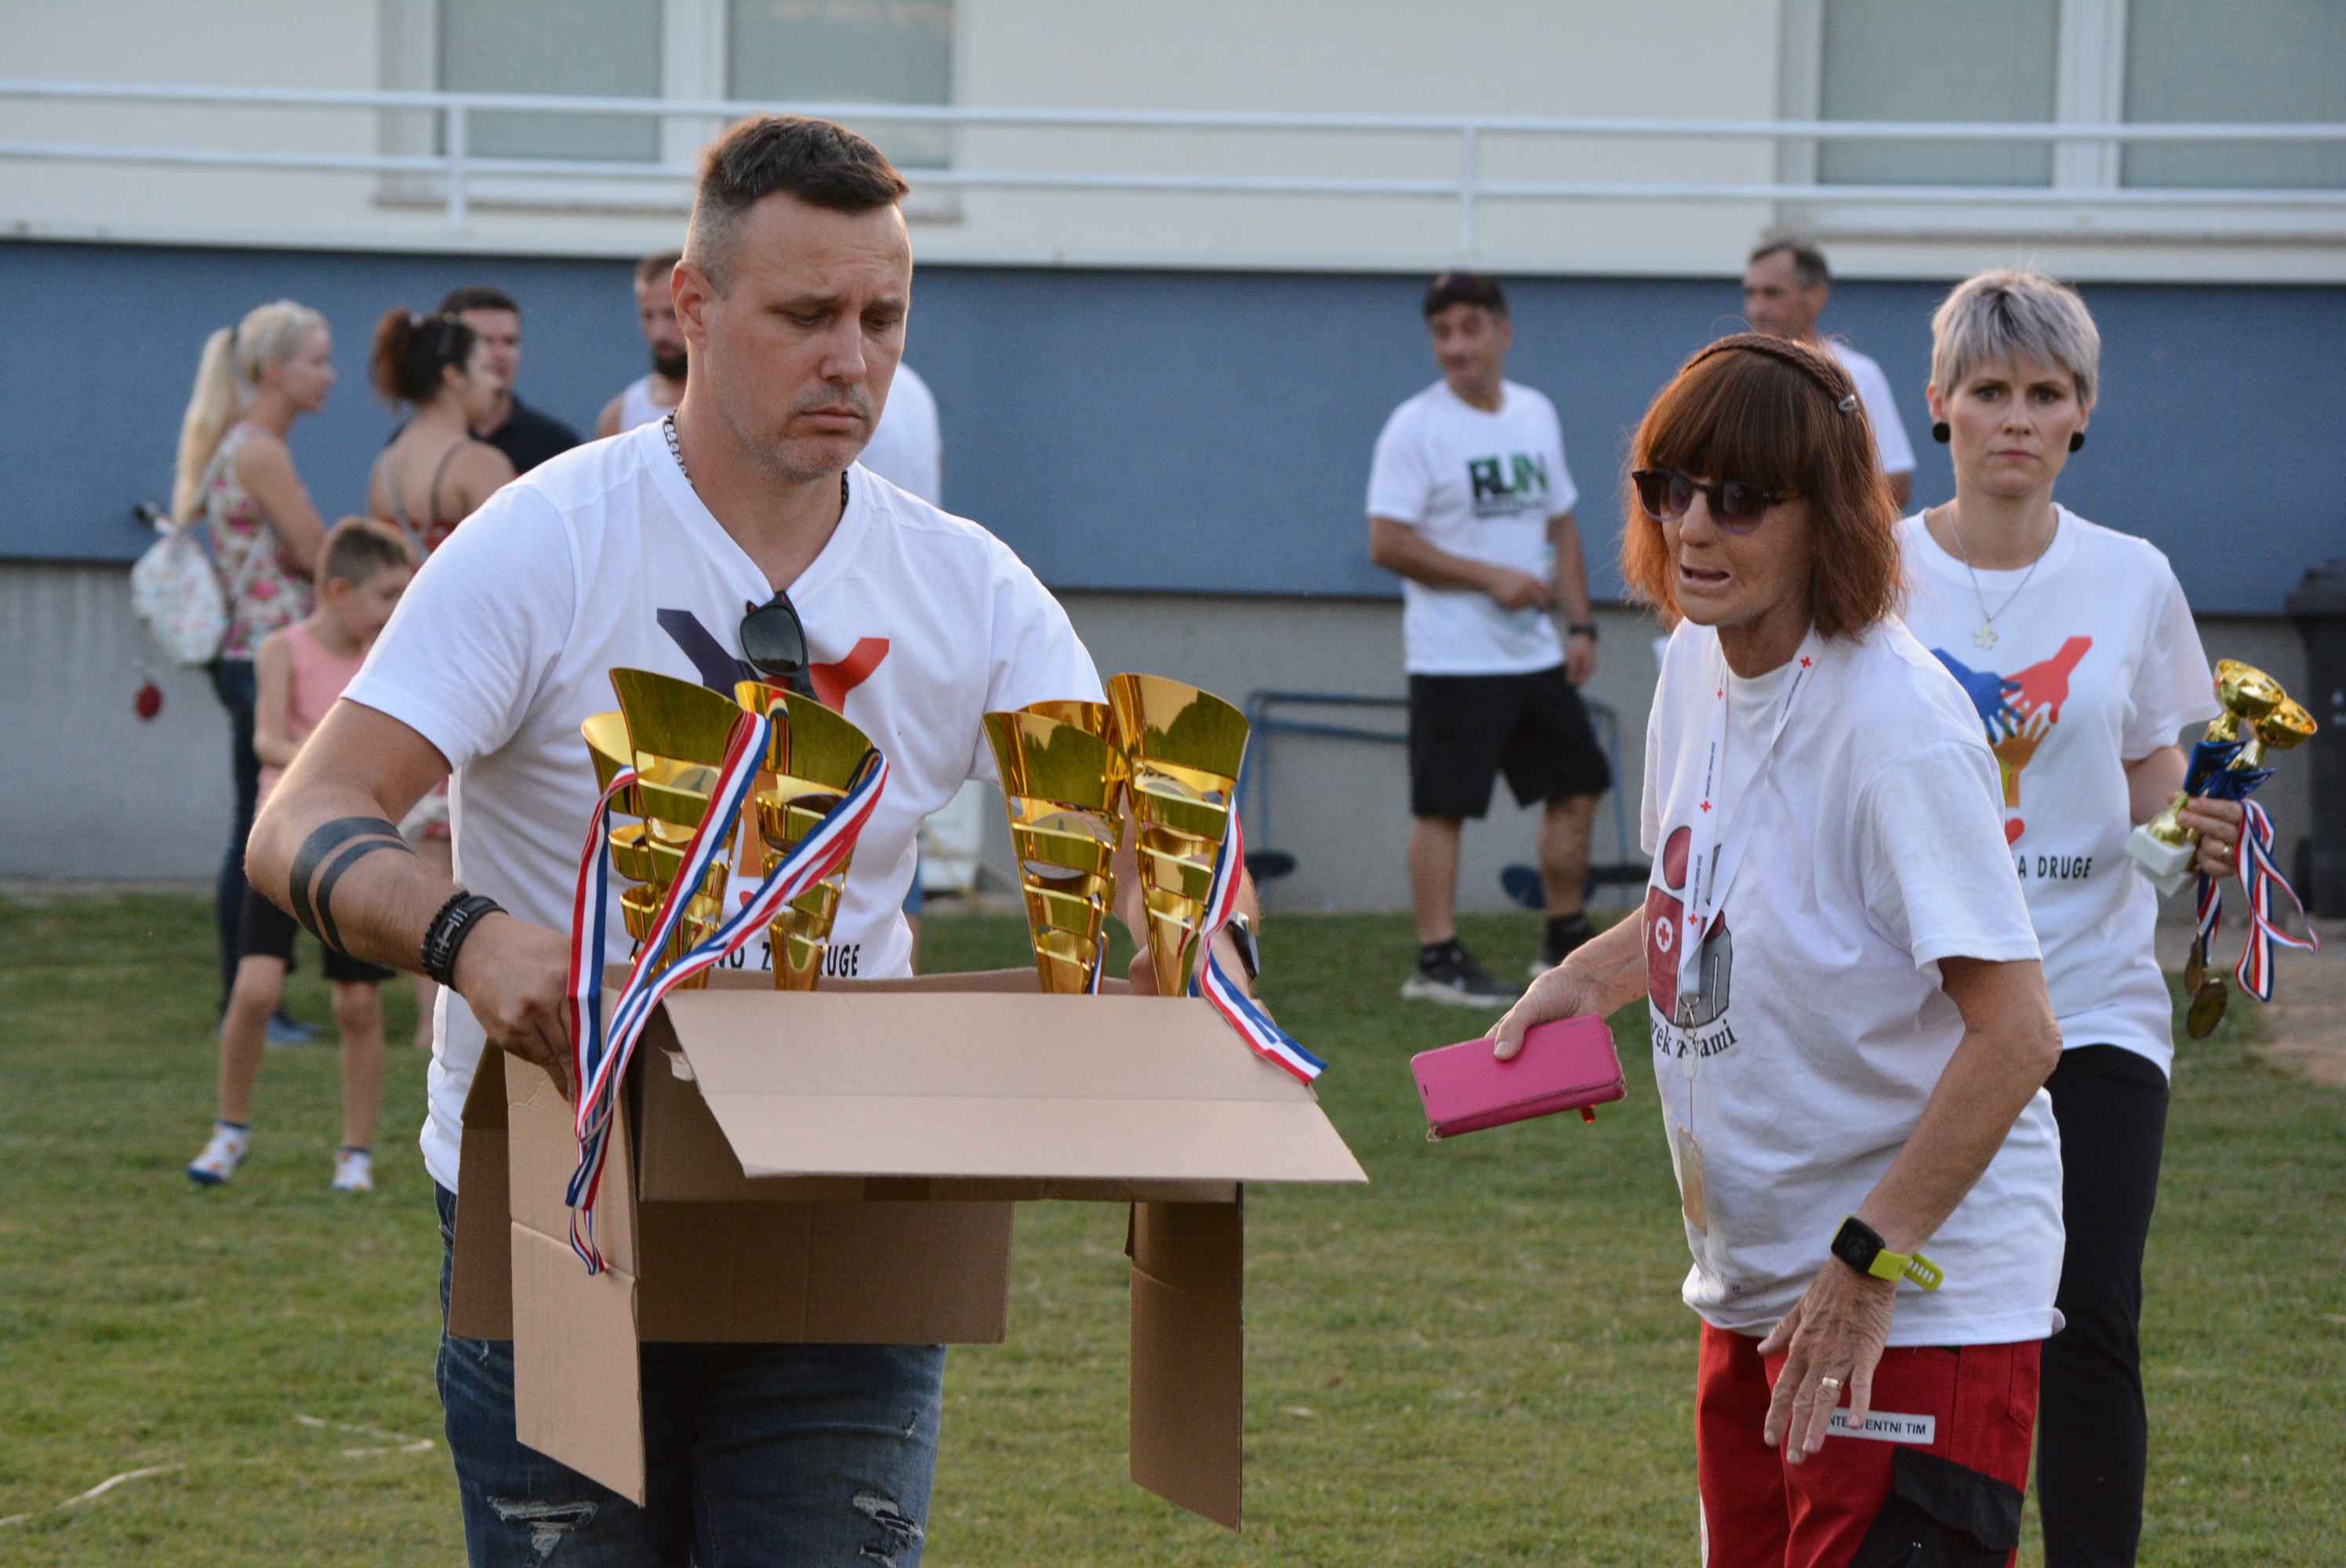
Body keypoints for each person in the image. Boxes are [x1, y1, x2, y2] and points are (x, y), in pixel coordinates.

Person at [245, 114, 1264, 1565]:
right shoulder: (546, 543)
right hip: (565, 1187)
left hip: (840, 1197)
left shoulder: (966, 585)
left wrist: (1189, 962)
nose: (851, 359)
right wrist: (473, 942)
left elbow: (1134, 851)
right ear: (691, 308)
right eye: (805, 316)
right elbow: (302, 825)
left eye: (881, 316)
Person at [1494, 332, 2065, 1568]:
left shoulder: (1898, 726)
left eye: (1743, 498)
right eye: (1671, 489)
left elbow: (2018, 1035)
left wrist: (1866, 1265)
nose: (1696, 527)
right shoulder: (1698, 664)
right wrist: (1580, 985)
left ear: (1828, 518)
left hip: (1914, 1302)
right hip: (1755, 1293)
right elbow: (1701, 902)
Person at [1901, 270, 2242, 1568]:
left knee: (2088, 1309)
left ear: (2082, 413)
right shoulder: (1877, 575)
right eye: (1988, 391)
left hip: (2092, 1005)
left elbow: (2155, 790)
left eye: (2044, 394)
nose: (2015, 419)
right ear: (1938, 405)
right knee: (1914, 1303)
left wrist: (2196, 836)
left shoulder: (2132, 579)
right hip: (1921, 1008)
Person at [1367, 270, 1607, 1005]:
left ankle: (1562, 938)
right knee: (1443, 806)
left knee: (1578, 787)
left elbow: (1560, 525)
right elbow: (1386, 542)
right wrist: (1488, 578)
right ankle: (1436, 960)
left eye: (1471, 329)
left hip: (1535, 652)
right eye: (1443, 333)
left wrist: (1580, 622)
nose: (1456, 347)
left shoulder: (1535, 413)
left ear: (1503, 332)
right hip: (1454, 657)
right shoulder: (1415, 427)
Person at [187, 520, 414, 1192]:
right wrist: (333, 768)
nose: (398, 610)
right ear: (338, 592)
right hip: (282, 844)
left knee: (358, 1007)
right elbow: (265, 741)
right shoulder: (280, 649)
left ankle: (357, 1152)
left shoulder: (384, 657)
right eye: (387, 595)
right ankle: (230, 1130)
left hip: (357, 850)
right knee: (255, 990)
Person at [170, 300, 338, 1036]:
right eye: (316, 360)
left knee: (257, 816)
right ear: (276, 370)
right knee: (264, 824)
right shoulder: (262, 451)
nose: (328, 376)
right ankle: (251, 997)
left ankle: (250, 996)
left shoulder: (239, 443)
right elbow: (311, 550)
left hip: (246, 651)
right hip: (270, 655)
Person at [366, 308, 520, 1051]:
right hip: (481, 672)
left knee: (425, 856)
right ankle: (464, 1010)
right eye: (486, 369)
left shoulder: (387, 466)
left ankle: (435, 1012)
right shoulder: (478, 465)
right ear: (454, 376)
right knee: (476, 849)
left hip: (416, 670)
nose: (498, 383)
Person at [1743, 235, 1916, 510]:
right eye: (1750, 293)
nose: (1757, 308)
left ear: (1817, 297)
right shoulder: (1732, 375)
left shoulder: (1857, 374)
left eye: (1772, 293)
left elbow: (1896, 483)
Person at [436, 285, 583, 474]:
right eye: (484, 341)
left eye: (509, 342)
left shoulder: (555, 445)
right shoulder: (419, 444)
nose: (500, 354)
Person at [596, 249, 688, 436]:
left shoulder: (735, 407)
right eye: (648, 316)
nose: (659, 333)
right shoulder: (618, 418)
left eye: (671, 315)